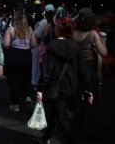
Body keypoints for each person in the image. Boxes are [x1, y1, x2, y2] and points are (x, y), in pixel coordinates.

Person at [36, 16, 93, 144]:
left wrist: (40, 89)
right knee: (56, 113)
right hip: (71, 86)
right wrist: (88, 89)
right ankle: (46, 137)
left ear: (59, 29)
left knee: (61, 117)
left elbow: (46, 71)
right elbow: (83, 70)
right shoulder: (76, 47)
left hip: (55, 87)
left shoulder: (52, 46)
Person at [72, 7, 107, 137]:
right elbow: (103, 53)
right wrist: (103, 41)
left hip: (76, 69)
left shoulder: (74, 33)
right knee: (90, 99)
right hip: (89, 69)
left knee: (78, 99)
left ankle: (77, 128)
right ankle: (89, 130)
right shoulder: (93, 34)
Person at [3, 8, 37, 112]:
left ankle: (15, 104)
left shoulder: (11, 29)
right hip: (26, 55)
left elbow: (6, 44)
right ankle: (27, 96)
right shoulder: (30, 29)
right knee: (26, 78)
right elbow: (34, 44)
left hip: (13, 54)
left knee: (13, 80)